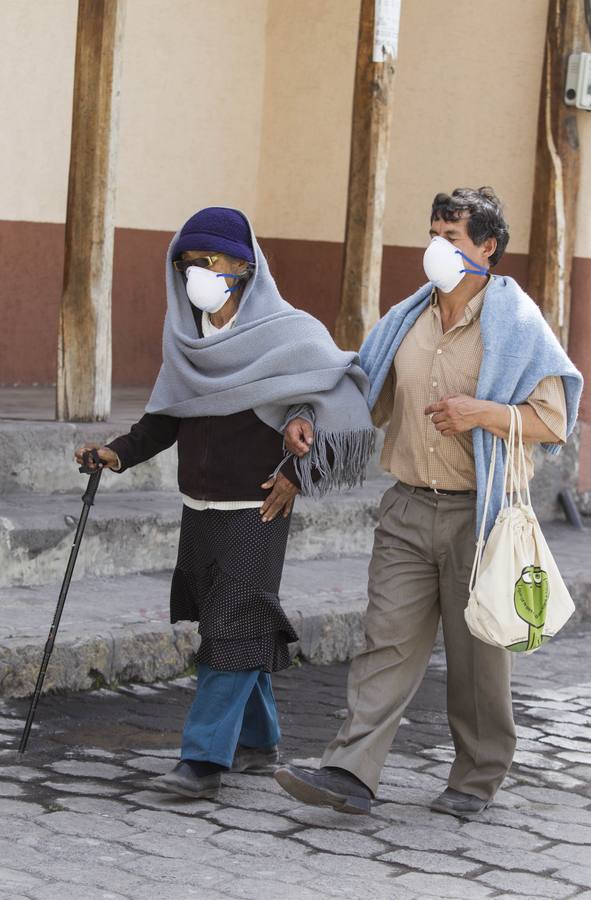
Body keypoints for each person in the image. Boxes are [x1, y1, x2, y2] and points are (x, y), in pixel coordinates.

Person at [275, 187, 583, 818]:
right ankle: (350, 772)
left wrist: (484, 413)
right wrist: (312, 418)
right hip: (408, 507)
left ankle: (476, 778)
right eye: (434, 232)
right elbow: (362, 389)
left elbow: (554, 421)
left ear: (488, 248)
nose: (437, 247)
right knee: (384, 642)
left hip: (483, 515)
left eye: (453, 237)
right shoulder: (404, 320)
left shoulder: (519, 324)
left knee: (478, 660)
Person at [75, 206, 374, 801]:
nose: (198, 274)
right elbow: (166, 417)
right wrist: (116, 453)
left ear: (245, 266)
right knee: (232, 622)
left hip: (257, 508)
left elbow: (323, 400)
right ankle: (260, 742)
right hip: (200, 506)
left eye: (211, 262)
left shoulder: (292, 332)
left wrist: (296, 468)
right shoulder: (189, 342)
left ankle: (202, 760)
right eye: (188, 263)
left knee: (232, 625)